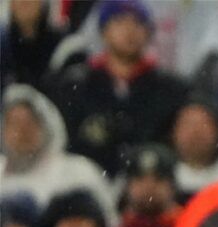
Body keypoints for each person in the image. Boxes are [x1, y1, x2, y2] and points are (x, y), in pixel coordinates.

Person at [48, 0, 187, 176]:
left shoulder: (171, 89)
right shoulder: (74, 85)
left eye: (138, 23)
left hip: (151, 185)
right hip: (87, 182)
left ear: (149, 33)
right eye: (120, 22)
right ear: (103, 31)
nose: (130, 31)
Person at [0, 85, 115, 218]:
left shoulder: (78, 173)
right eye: (14, 123)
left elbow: (107, 226)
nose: (22, 131)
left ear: (47, 126)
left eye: (30, 122)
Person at [108, 143, 181, 227]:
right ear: (127, 187)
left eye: (158, 179)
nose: (149, 186)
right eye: (140, 179)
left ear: (172, 186)